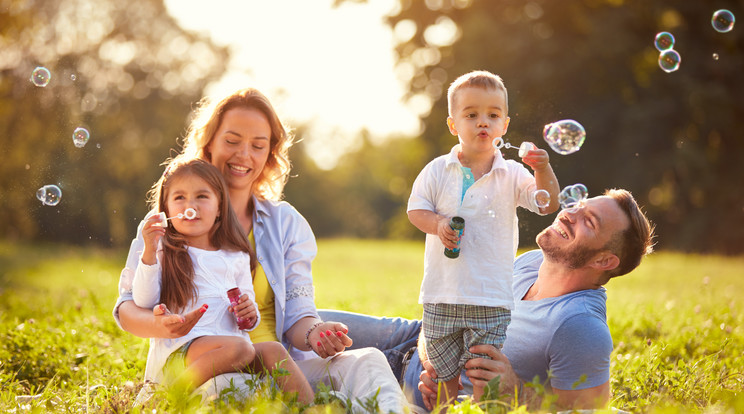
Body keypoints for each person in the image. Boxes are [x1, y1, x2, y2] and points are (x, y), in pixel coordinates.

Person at [113, 88, 407, 412]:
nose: (244, 155)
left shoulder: (286, 223)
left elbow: (298, 316)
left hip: (279, 369)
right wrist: (161, 325)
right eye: (232, 140)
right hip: (209, 370)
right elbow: (128, 309)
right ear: (209, 143)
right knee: (233, 390)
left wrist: (315, 332)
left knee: (368, 360)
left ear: (270, 154)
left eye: (258, 145)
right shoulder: (168, 222)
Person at [319, 188, 654, 412]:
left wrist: (515, 392)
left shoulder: (580, 327)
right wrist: (436, 357)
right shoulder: (532, 261)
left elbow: (585, 412)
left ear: (604, 261)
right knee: (302, 323)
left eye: (588, 221)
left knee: (292, 371)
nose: (568, 214)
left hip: (416, 392)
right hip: (411, 338)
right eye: (577, 206)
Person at [406, 70, 559, 406]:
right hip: (442, 292)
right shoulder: (436, 170)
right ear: (453, 125)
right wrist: (437, 224)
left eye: (492, 115)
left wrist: (542, 169)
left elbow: (547, 203)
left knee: (483, 373)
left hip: (490, 296)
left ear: (504, 125)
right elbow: (416, 210)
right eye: (471, 115)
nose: (482, 123)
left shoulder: (513, 173)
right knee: (443, 375)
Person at [130, 158, 313, 403]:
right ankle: (168, 396)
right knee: (240, 347)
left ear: (219, 207)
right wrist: (149, 253)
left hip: (232, 350)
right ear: (166, 209)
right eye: (179, 198)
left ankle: (312, 407)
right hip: (181, 353)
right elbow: (142, 300)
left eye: (202, 197)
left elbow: (248, 320)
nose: (190, 205)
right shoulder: (165, 251)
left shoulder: (235, 255)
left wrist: (249, 314)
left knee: (274, 351)